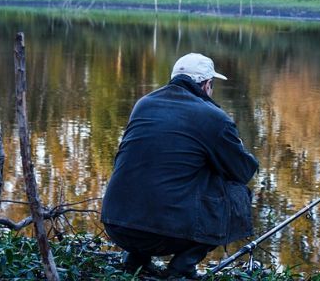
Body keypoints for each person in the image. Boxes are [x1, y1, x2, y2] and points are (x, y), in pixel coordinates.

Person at [101, 53, 259, 279]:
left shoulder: (143, 104)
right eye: (212, 86)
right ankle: (181, 268)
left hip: (116, 224)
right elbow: (243, 171)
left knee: (159, 175)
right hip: (163, 233)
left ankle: (136, 259)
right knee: (237, 193)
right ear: (206, 85)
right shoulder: (213, 117)